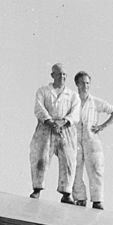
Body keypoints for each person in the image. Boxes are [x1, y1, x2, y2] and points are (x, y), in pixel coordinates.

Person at [29, 63, 79, 204]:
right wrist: (51, 122)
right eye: (59, 74)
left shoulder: (72, 95)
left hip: (65, 129)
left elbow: (75, 113)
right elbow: (39, 108)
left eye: (64, 74)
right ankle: (37, 189)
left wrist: (63, 122)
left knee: (68, 160)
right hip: (46, 127)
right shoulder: (43, 91)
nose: (62, 76)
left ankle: (66, 193)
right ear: (52, 75)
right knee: (40, 157)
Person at [71, 71, 113, 209]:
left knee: (96, 168)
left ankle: (97, 200)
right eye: (82, 83)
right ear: (77, 84)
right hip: (75, 138)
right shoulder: (72, 101)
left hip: (91, 138)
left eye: (87, 83)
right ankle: (80, 198)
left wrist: (102, 126)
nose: (85, 86)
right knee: (75, 168)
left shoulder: (95, 101)